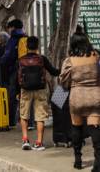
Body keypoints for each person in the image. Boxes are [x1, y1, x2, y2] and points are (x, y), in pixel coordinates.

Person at [60, 32, 100, 171]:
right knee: (95, 128)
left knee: (76, 127)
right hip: (95, 97)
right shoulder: (96, 57)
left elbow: (64, 82)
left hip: (76, 98)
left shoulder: (69, 61)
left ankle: (78, 160)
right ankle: (98, 163)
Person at [18, 36, 60, 151]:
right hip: (40, 89)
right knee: (40, 115)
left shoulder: (21, 60)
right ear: (37, 46)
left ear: (27, 46)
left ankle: (25, 140)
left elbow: (18, 77)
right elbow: (54, 72)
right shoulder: (42, 59)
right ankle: (39, 142)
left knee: (24, 114)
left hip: (25, 90)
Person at [0, 19, 27, 127]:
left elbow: (8, 56)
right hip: (27, 70)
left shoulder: (13, 39)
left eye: (10, 28)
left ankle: (11, 121)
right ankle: (29, 121)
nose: (9, 30)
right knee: (25, 95)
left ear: (13, 28)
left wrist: (0, 61)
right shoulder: (26, 37)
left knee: (12, 95)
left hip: (15, 71)